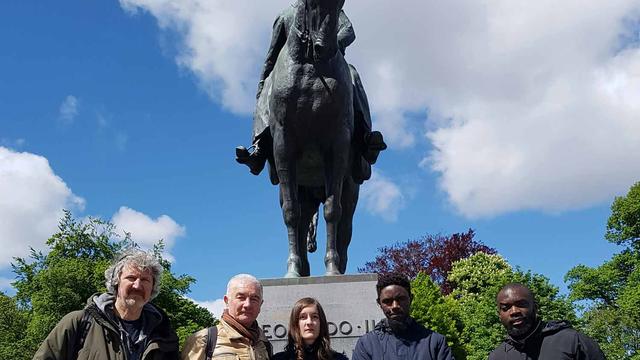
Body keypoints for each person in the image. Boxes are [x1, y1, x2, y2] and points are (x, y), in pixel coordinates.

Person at [236, 3, 386, 182]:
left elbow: (348, 30)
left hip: (331, 68)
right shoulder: (285, 15)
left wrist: (333, 43)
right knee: (269, 85)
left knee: (352, 75)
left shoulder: (329, 7)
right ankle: (259, 149)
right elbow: (272, 55)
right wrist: (262, 84)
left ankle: (364, 138)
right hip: (292, 73)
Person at [33, 249, 179, 360]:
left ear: (153, 287)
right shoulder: (79, 323)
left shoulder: (164, 335)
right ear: (116, 282)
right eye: (131, 278)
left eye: (145, 280)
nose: (137, 285)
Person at [489, 283, 605, 359]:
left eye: (521, 304)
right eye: (506, 308)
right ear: (499, 315)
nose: (514, 311)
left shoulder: (572, 341)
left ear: (535, 308)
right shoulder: (497, 356)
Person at [352, 273, 454, 360]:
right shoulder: (366, 345)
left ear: (411, 299)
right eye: (387, 301)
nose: (395, 306)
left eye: (401, 299)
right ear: (379, 303)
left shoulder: (435, 342)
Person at [181, 274, 272, 360]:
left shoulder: (264, 344)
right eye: (241, 297)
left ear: (261, 304)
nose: (247, 304)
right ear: (226, 301)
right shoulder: (203, 340)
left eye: (254, 299)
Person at [273, 297, 347, 360]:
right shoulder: (279, 359)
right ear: (295, 324)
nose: (309, 322)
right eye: (303, 317)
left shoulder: (339, 358)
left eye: (314, 317)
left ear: (321, 322)